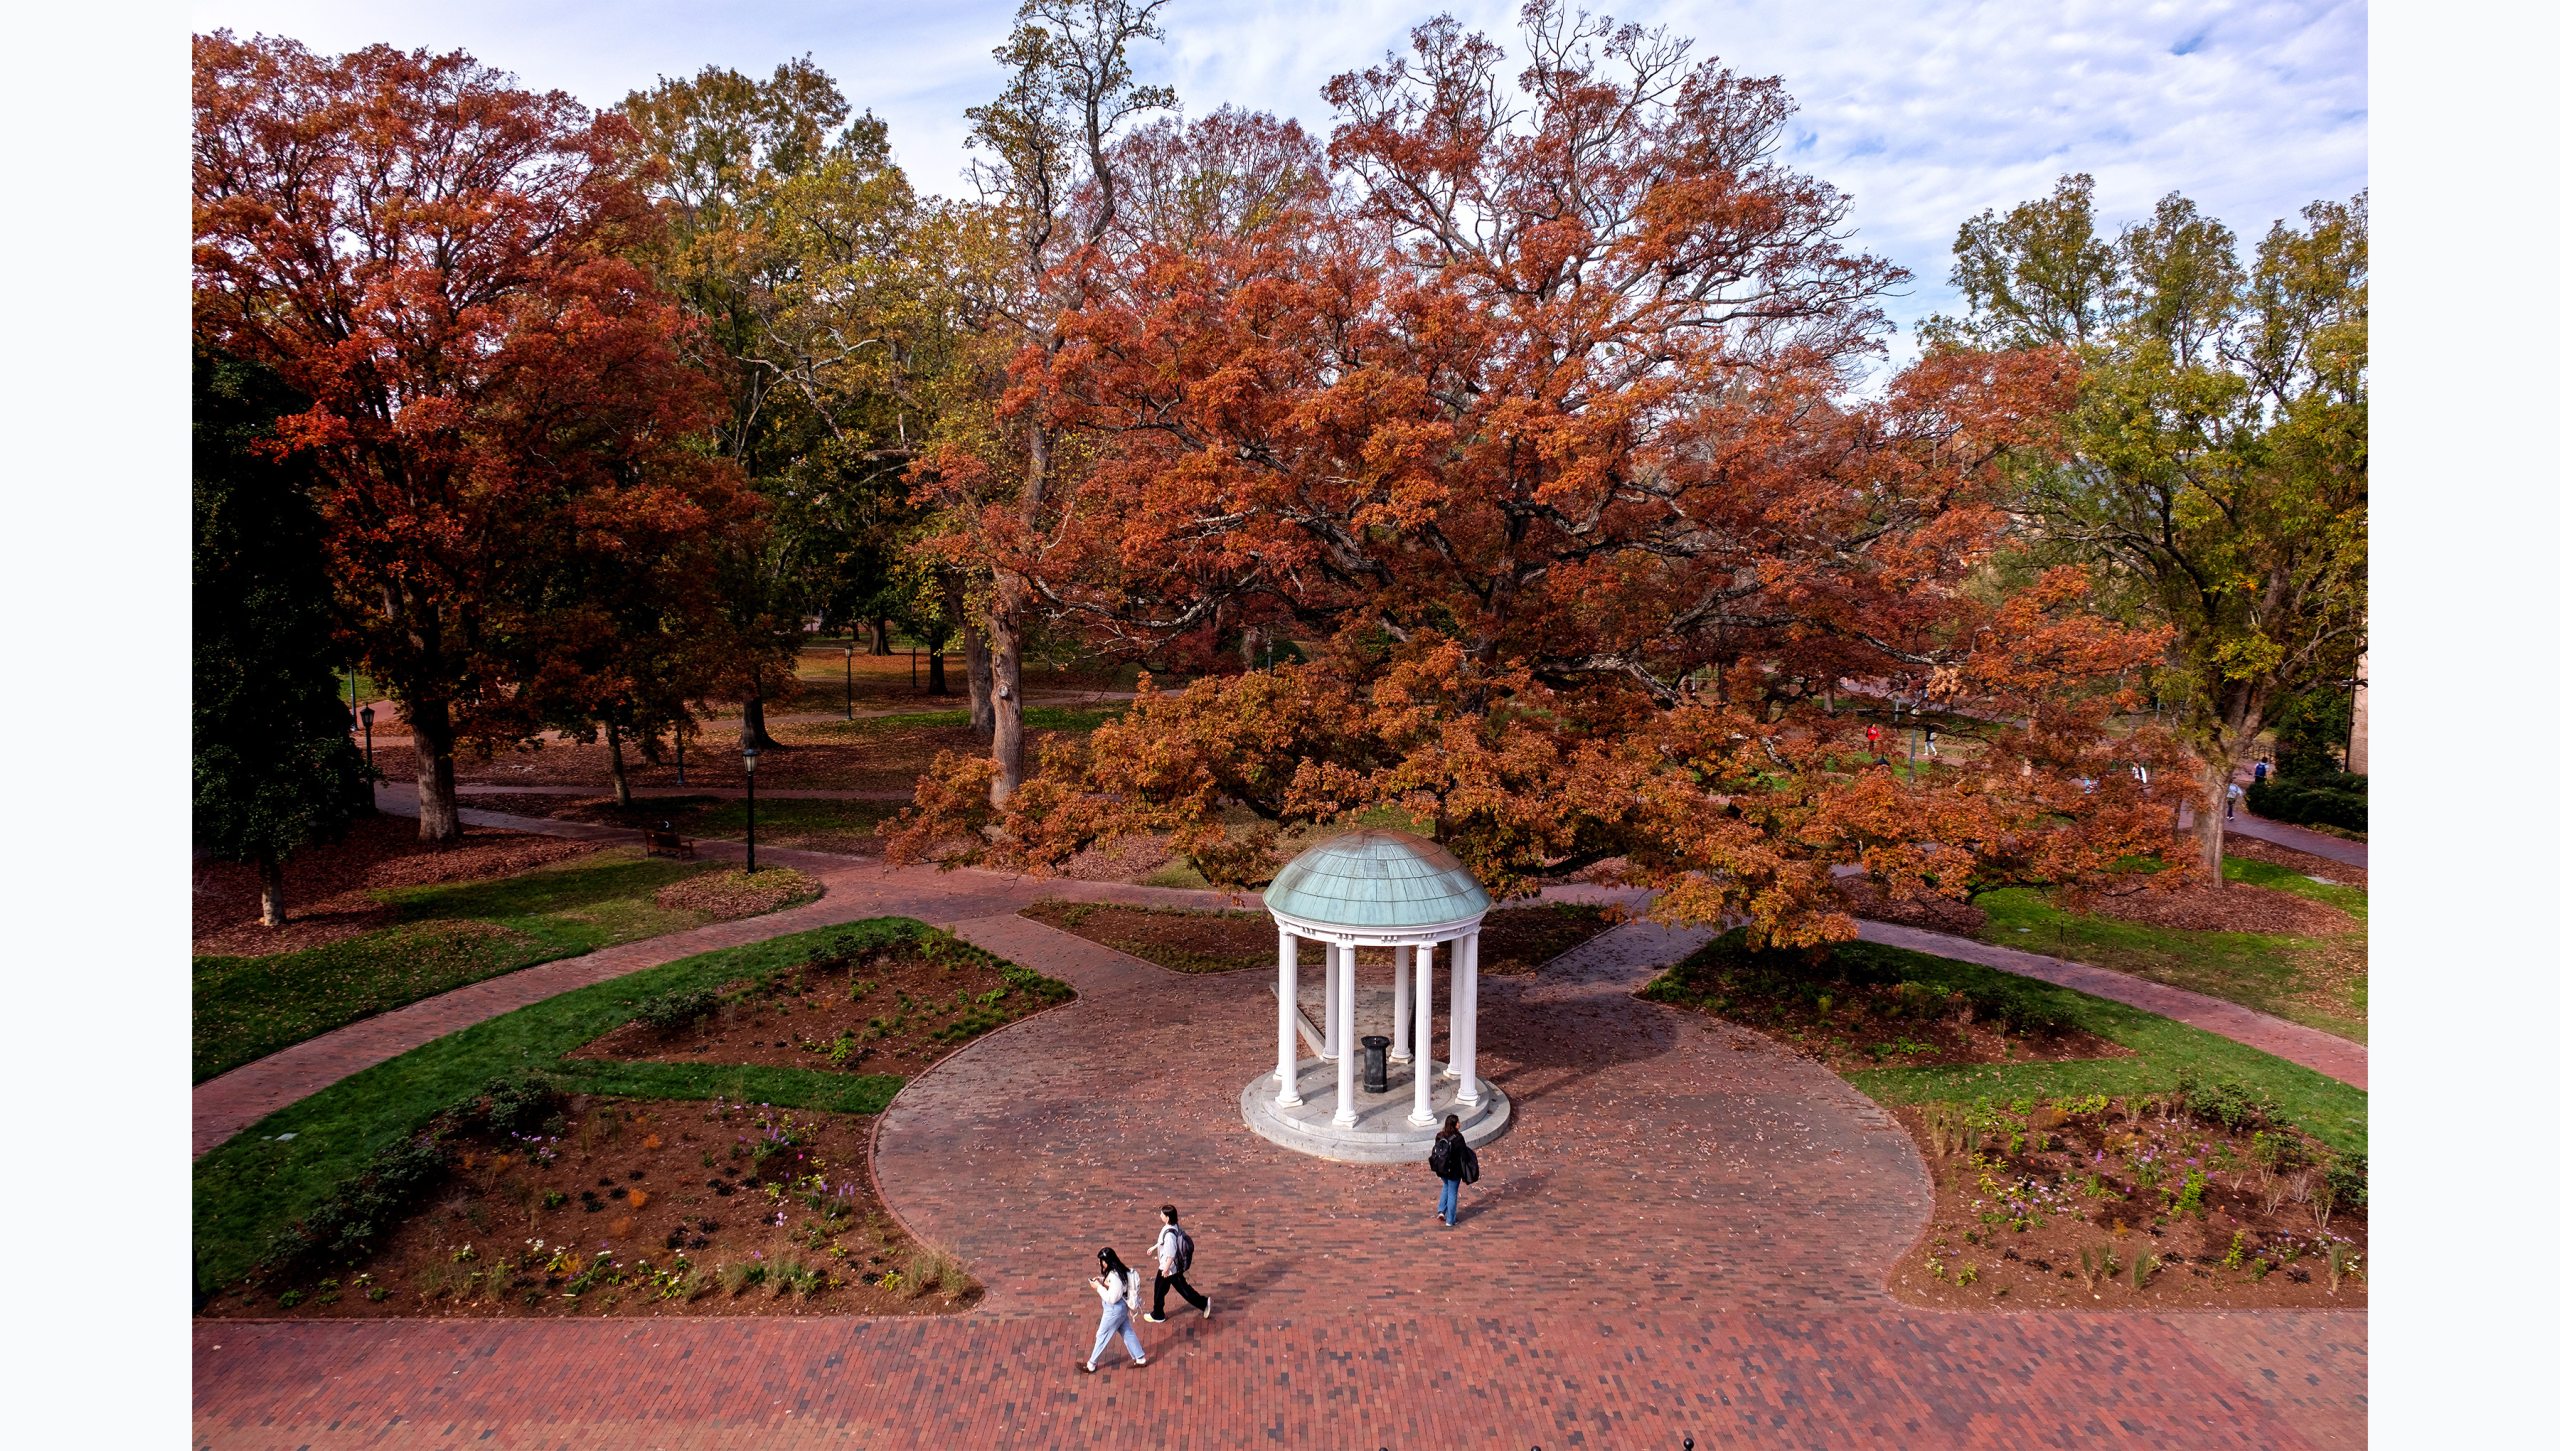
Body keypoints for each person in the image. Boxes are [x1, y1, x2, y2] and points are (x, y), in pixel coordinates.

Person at [1082, 1248, 1147, 1373]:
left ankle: (1091, 1364)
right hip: (1120, 1309)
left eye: (1102, 1261)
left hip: (1114, 1311)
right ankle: (1140, 1358)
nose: (1101, 1264)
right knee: (1127, 1332)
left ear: (1106, 1261)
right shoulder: (1119, 1270)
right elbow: (1116, 1288)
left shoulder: (1114, 1276)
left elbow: (1111, 1298)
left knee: (1102, 1335)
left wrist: (1098, 1287)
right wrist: (1102, 1281)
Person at [1143, 1204, 1211, 1323]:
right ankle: (1203, 1303)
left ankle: (1158, 1314)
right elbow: (1161, 1242)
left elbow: (1171, 1254)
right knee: (1182, 1289)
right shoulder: (1173, 1226)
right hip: (1172, 1268)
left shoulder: (1169, 1235)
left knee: (1159, 1290)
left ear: (1167, 1217)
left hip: (1168, 1268)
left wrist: (1165, 1269)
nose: (1160, 1216)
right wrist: (1153, 1248)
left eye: (1162, 1214)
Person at [1428, 1115, 1479, 1228]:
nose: (1459, 1124)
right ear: (1454, 1125)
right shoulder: (1458, 1138)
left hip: (1441, 1168)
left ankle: (1441, 1211)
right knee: (1452, 1193)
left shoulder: (1440, 1135)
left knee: (1446, 1186)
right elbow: (1463, 1155)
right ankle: (1450, 1220)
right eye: (1458, 1122)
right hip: (1454, 1171)